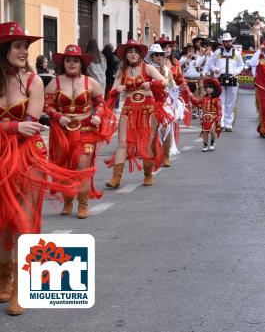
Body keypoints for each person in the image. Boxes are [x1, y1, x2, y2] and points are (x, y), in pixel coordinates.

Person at [0, 22, 93, 315]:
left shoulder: (34, 82)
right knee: (3, 222)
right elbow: (19, 125)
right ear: (3, 49)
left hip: (28, 157)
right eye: (17, 45)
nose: (24, 50)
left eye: (25, 46)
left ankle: (20, 288)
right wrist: (13, 125)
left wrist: (14, 126)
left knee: (25, 221)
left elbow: (31, 124)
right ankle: (4, 276)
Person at [44, 45, 117, 219]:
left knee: (82, 165)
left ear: (81, 63)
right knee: (65, 167)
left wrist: (98, 115)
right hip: (62, 131)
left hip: (86, 130)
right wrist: (58, 116)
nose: (71, 63)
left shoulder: (90, 82)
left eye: (75, 60)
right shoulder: (56, 82)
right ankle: (68, 200)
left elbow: (100, 104)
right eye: (68, 60)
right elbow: (46, 105)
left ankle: (83, 204)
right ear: (63, 63)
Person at [105, 40, 167, 188]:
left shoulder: (148, 68)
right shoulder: (122, 70)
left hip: (147, 108)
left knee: (146, 141)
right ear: (126, 55)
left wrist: (151, 84)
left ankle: (148, 174)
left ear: (140, 54)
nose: (132, 54)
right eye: (129, 52)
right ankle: (116, 178)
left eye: (135, 52)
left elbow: (164, 82)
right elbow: (112, 91)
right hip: (128, 108)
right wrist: (117, 90)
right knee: (122, 142)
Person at [146, 44, 186, 166]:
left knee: (166, 129)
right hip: (151, 102)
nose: (159, 57)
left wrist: (179, 88)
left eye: (161, 55)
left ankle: (165, 156)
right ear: (152, 56)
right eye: (156, 54)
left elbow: (172, 86)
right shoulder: (147, 69)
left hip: (165, 102)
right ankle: (153, 156)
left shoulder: (167, 70)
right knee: (151, 131)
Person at [204, 33, 244, 132]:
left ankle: (228, 123)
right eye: (225, 41)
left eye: (229, 41)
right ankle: (220, 122)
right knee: (220, 101)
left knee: (231, 101)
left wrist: (237, 72)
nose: (227, 43)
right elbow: (210, 63)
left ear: (231, 42)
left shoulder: (237, 53)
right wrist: (215, 69)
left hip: (232, 78)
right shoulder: (217, 52)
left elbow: (241, 65)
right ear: (223, 42)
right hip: (220, 78)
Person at [185, 78, 222, 151]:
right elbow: (197, 102)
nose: (208, 89)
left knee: (212, 131)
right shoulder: (204, 98)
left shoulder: (217, 99)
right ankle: (205, 145)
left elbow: (219, 109)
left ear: (214, 89)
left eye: (210, 88)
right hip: (205, 117)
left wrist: (219, 118)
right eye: (207, 87)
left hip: (214, 116)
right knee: (205, 131)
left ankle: (212, 143)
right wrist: (191, 96)